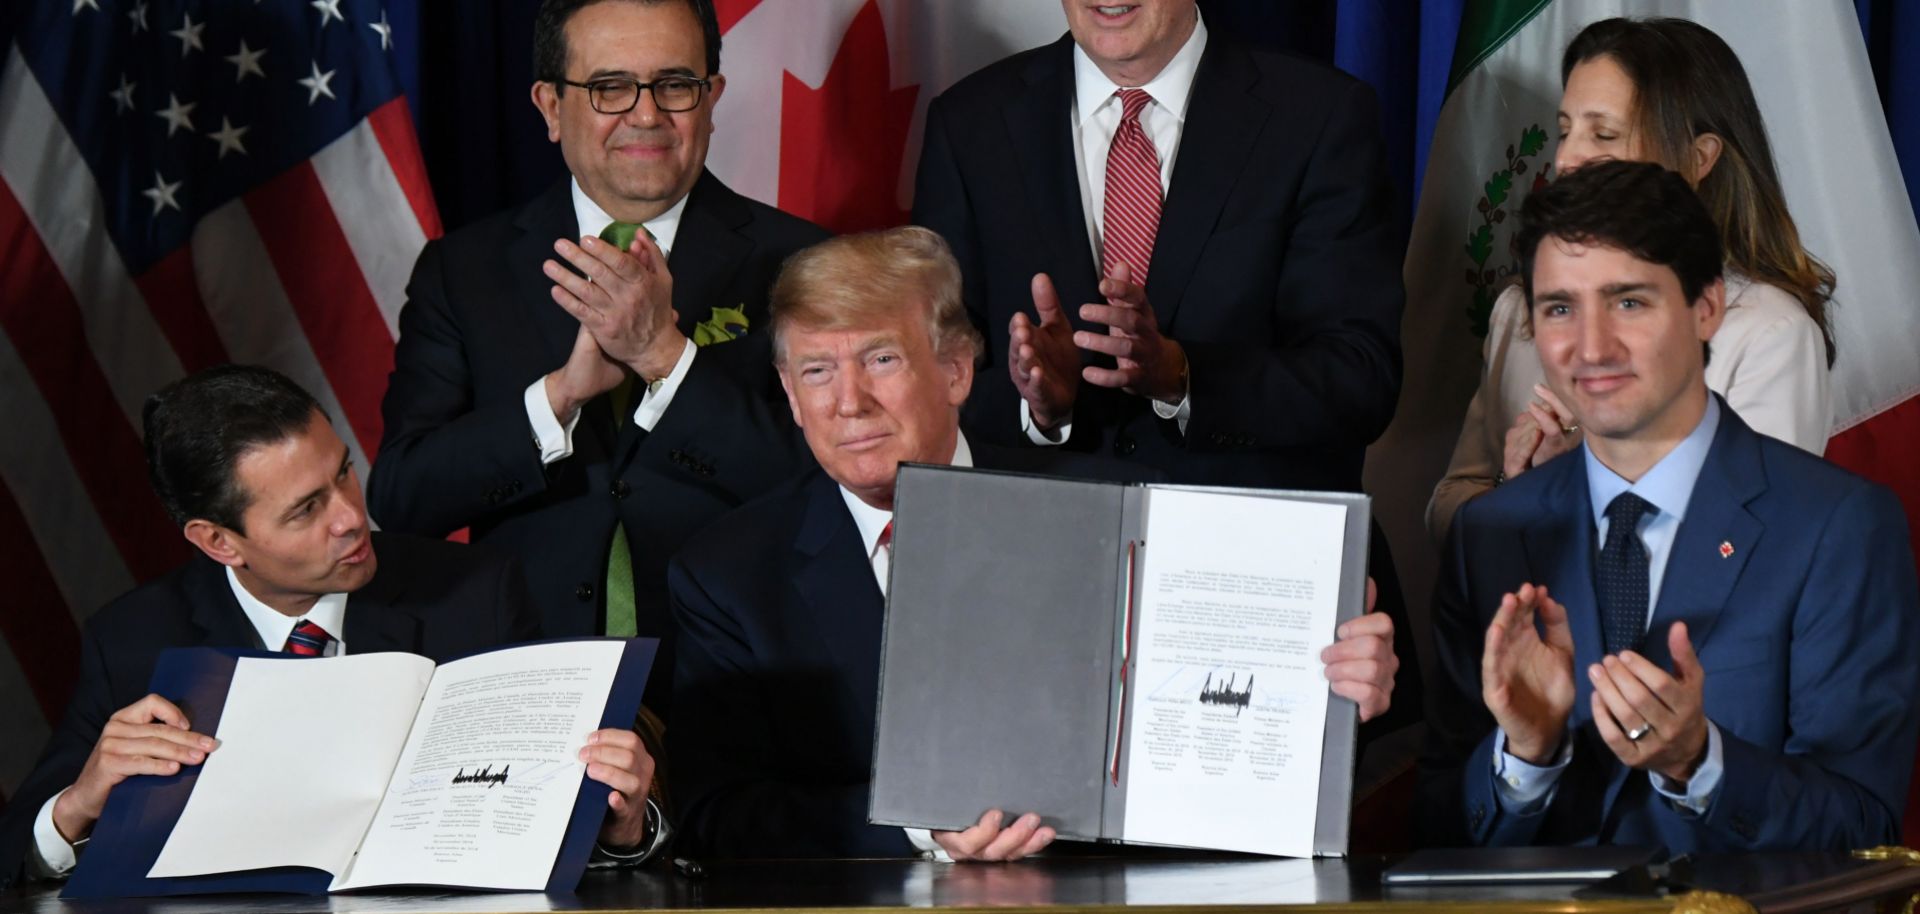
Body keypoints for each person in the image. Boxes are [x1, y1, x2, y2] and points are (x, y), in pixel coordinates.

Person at [667, 227, 1401, 860]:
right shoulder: (728, 575)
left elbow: (1231, 743)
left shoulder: (1120, 509)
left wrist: (1330, 699)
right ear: (791, 397)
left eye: (881, 359)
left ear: (956, 370)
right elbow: (716, 817)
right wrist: (922, 828)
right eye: (818, 371)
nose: (849, 401)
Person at [912, 0, 1418, 741]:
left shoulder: (1318, 115)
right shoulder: (971, 122)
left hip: (1257, 613)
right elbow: (934, 382)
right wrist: (1040, 408)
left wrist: (1182, 377)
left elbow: (1360, 378)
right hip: (1044, 611)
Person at [0, 366, 663, 889]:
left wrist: (622, 828)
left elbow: (555, 819)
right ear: (218, 542)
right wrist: (77, 805)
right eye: (306, 509)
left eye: (343, 471)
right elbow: (17, 852)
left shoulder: (475, 596)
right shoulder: (134, 640)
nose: (350, 516)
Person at [1419, 161, 1918, 851]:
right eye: (1559, 307)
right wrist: (1525, 755)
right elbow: (1435, 830)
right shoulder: (1490, 533)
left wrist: (1699, 762)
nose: (1591, 347)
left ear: (1707, 305)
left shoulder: (1838, 526)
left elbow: (1864, 826)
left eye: (1629, 301)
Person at [369, 0, 827, 712]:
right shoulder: (464, 271)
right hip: (525, 679)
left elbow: (827, 486)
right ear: (551, 106)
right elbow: (403, 496)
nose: (646, 115)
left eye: (675, 84)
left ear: (712, 99)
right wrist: (557, 398)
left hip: (746, 682)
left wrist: (666, 359)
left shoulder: (806, 263)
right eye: (610, 87)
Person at [1427, 16, 1836, 547]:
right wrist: (1519, 488)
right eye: (1565, 129)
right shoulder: (1517, 309)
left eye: (1604, 134)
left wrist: (1580, 481)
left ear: (1699, 158)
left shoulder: (1769, 332)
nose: (1569, 158)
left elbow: (1757, 551)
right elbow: (1446, 511)